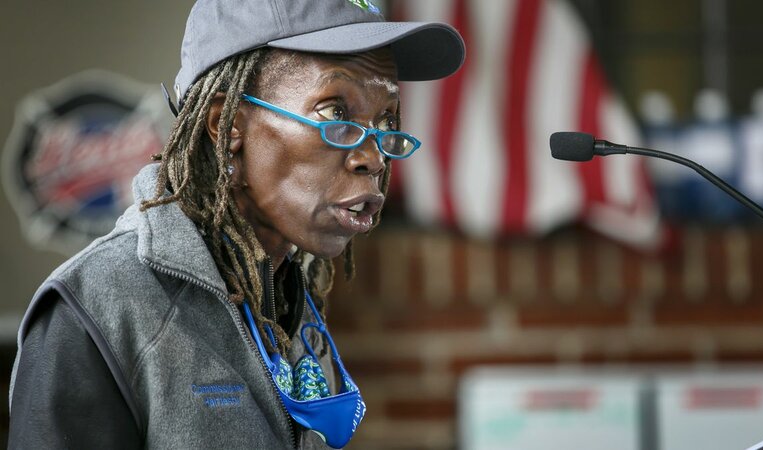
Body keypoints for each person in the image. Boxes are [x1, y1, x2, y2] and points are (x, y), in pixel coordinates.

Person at [7, 0, 465, 448]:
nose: (373, 156)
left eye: (386, 119)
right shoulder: (95, 306)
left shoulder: (287, 299)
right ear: (225, 127)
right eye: (335, 113)